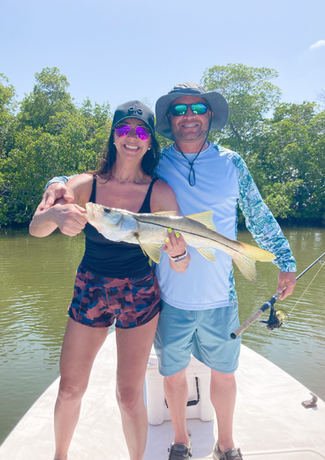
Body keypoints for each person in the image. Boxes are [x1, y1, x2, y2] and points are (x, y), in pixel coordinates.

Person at [41, 83, 297, 460]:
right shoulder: (158, 164)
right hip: (169, 293)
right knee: (172, 374)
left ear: (210, 115)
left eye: (197, 108)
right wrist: (55, 185)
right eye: (179, 110)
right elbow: (108, 175)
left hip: (220, 293)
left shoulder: (233, 162)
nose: (189, 116)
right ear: (169, 122)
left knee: (224, 374)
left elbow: (258, 215)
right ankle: (181, 442)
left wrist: (286, 262)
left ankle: (226, 445)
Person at [29, 100, 190, 460]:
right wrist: (55, 214)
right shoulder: (87, 185)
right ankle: (60, 456)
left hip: (139, 292)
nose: (132, 137)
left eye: (140, 131)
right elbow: (35, 230)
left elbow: (179, 264)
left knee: (129, 395)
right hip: (90, 287)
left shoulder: (160, 193)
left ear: (150, 141)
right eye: (124, 129)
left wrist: (179, 254)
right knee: (69, 388)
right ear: (114, 136)